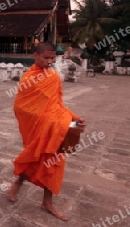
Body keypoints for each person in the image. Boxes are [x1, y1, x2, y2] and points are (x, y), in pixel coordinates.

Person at [7, 42, 86, 222]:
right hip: (39, 128)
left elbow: (57, 104)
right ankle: (17, 184)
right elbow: (21, 106)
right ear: (35, 55)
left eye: (52, 58)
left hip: (54, 130)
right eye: (46, 57)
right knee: (34, 158)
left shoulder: (54, 78)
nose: (50, 61)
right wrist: (44, 118)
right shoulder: (29, 78)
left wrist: (74, 117)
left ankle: (47, 202)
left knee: (54, 164)